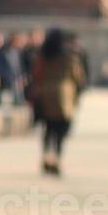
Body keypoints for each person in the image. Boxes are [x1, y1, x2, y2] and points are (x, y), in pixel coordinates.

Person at [29, 29, 88, 176]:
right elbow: (78, 76)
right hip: (64, 96)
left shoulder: (42, 55)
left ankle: (46, 156)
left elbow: (35, 74)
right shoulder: (69, 56)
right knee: (61, 130)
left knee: (48, 128)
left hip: (44, 94)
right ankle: (57, 158)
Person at [0, 33, 24, 105]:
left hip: (15, 82)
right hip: (5, 82)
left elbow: (19, 67)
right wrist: (5, 77)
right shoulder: (3, 52)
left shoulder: (17, 52)